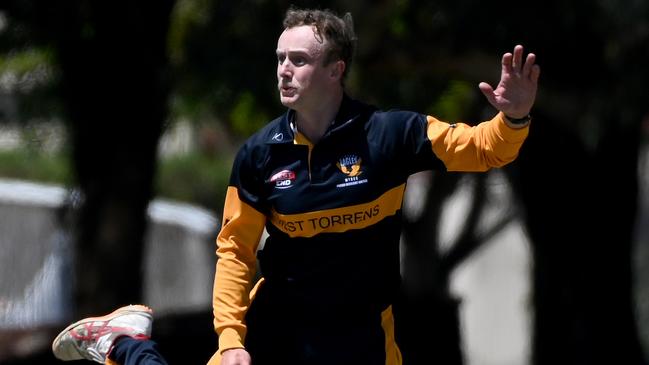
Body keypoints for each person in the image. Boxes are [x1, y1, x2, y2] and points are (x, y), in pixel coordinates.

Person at [51, 6, 539, 365]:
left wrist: (513, 117)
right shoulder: (260, 156)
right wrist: (231, 340)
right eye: (280, 58)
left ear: (335, 70)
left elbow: (483, 149)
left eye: (299, 60)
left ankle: (123, 342)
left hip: (363, 341)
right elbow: (235, 252)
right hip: (276, 333)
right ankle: (123, 342)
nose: (284, 69)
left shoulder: (391, 135)